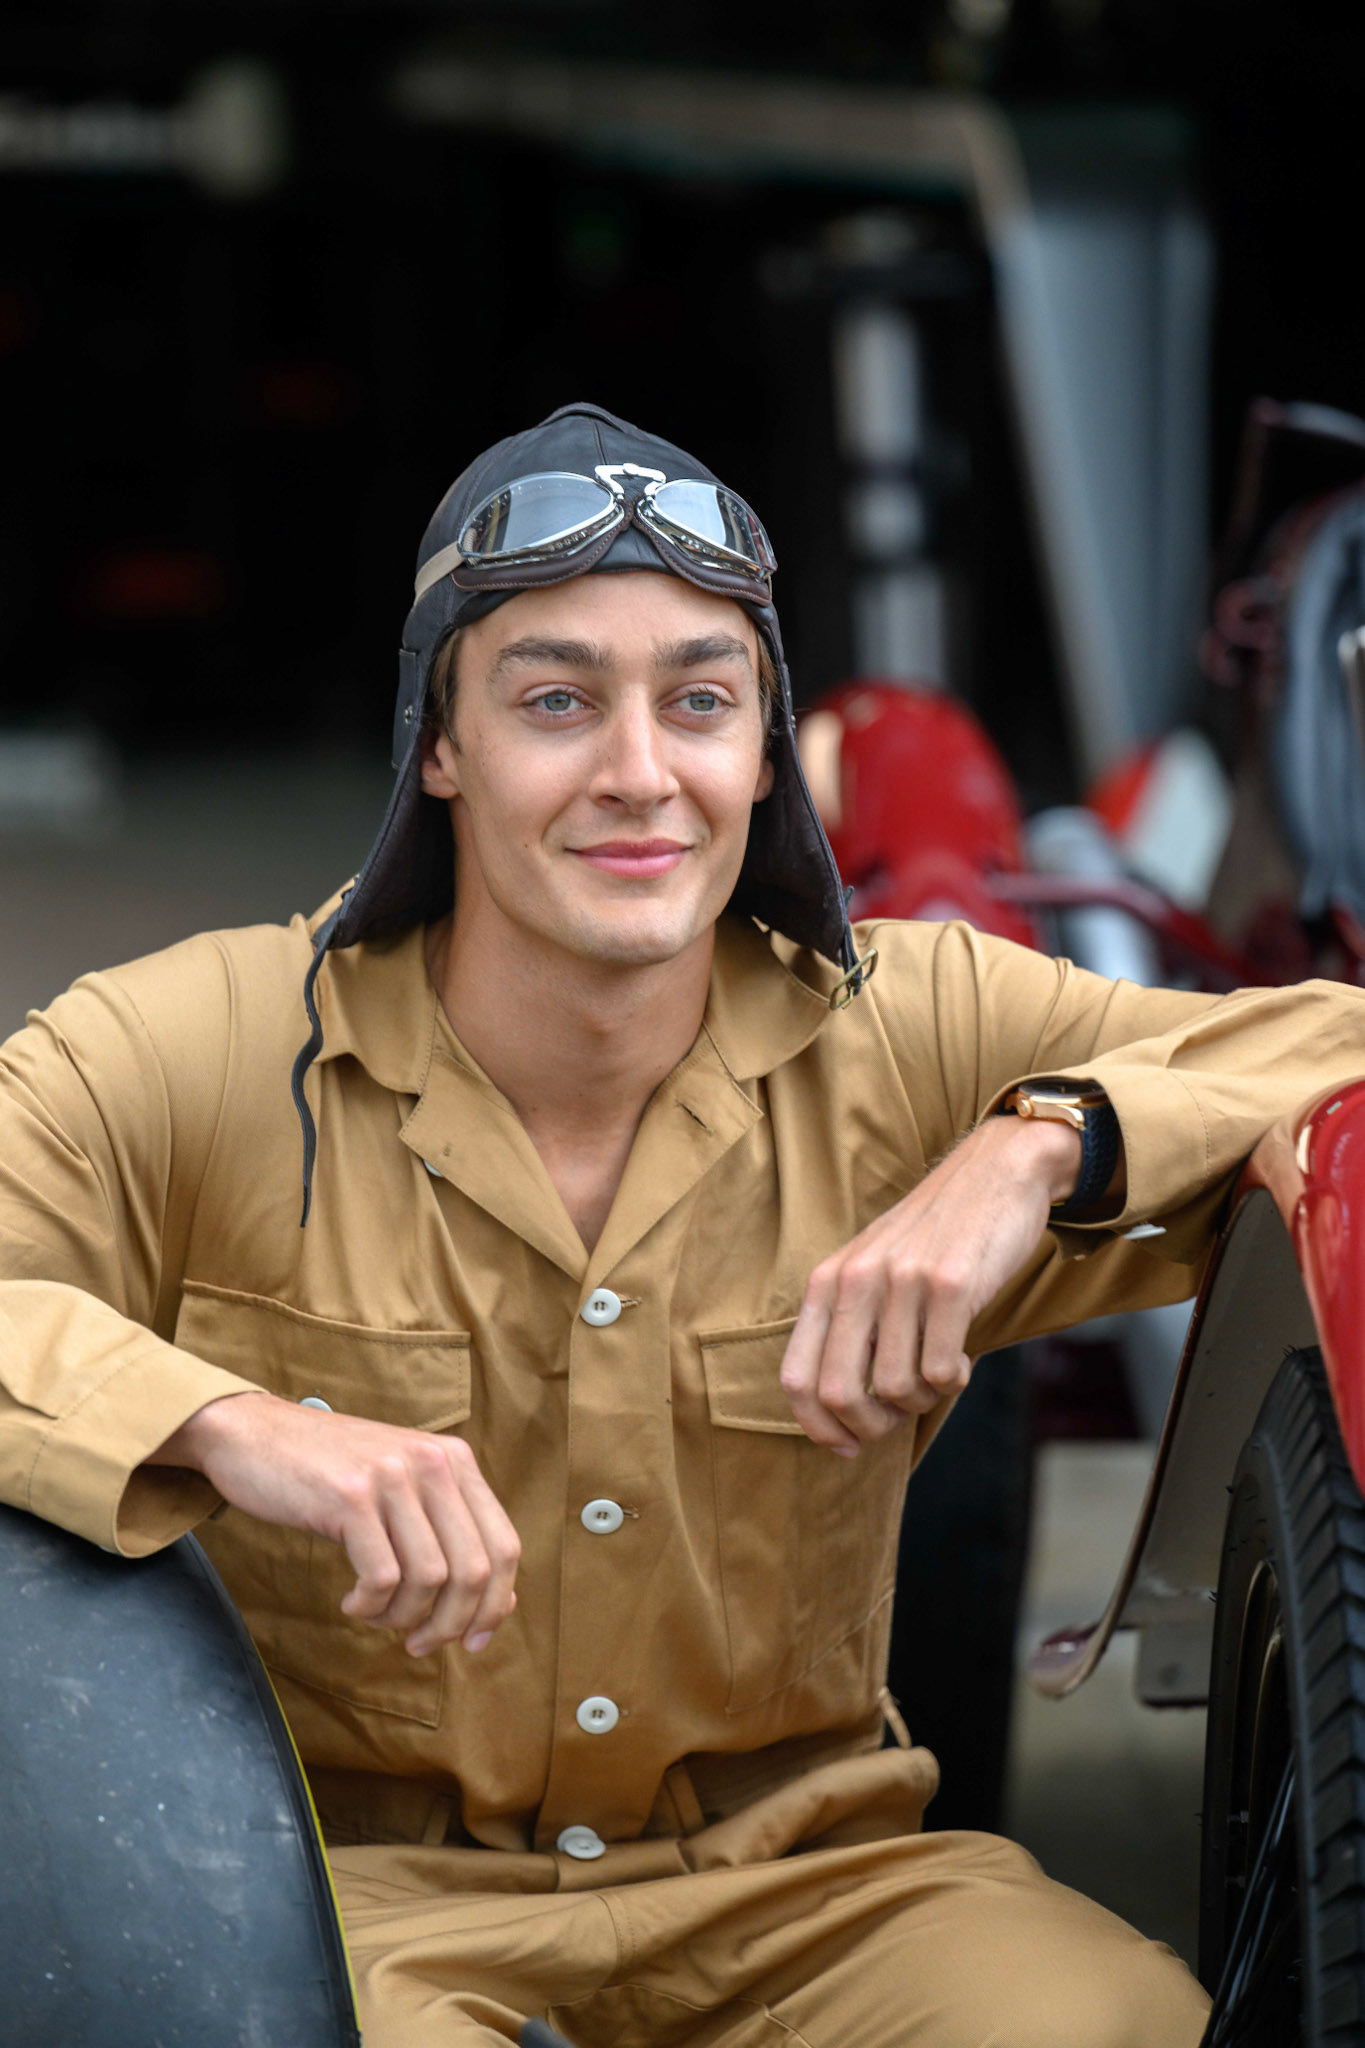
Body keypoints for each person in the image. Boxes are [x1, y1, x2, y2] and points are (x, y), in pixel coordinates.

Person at [2, 401, 1361, 2048]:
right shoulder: (198, 1047)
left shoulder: (910, 1028)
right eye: (555, 701)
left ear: (763, 751)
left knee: (1122, 2029)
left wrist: (1036, 1149)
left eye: (701, 702)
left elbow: (1335, 1045)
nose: (639, 775)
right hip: (341, 1902)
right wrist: (232, 1428)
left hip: (809, 1891)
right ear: (438, 747)